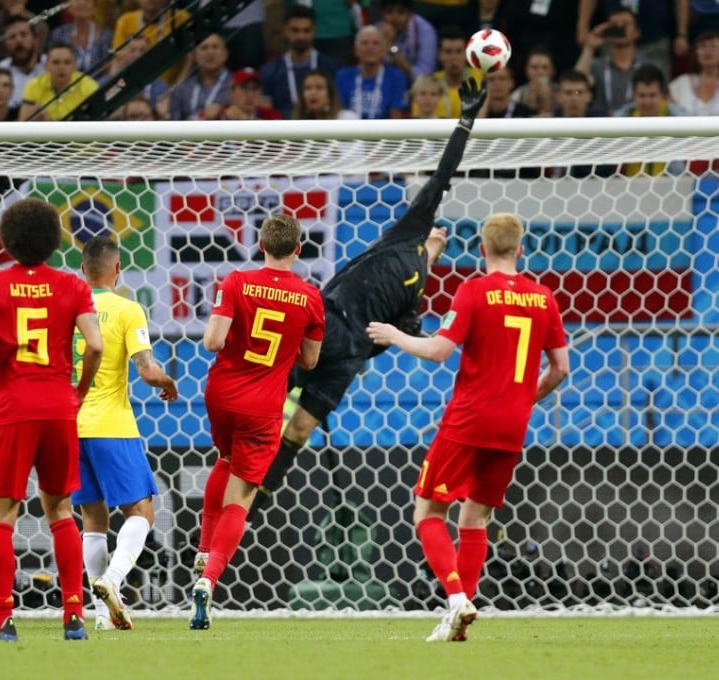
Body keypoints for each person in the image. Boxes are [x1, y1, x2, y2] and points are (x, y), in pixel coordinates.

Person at [248, 78, 487, 520]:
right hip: (329, 324)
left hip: (346, 353)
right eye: (437, 231)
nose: (440, 233)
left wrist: (390, 338)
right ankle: (240, 468)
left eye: (442, 238)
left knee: (299, 430)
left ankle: (255, 498)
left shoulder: (414, 300)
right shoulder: (408, 233)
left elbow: (396, 338)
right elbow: (442, 177)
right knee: (270, 398)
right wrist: (466, 120)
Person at [365, 212, 569, 642]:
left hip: (470, 419)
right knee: (475, 518)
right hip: (513, 424)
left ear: (481, 250)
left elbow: (440, 350)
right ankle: (459, 619)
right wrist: (522, 400)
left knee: (427, 511)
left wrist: (393, 335)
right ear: (519, 250)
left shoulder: (474, 290)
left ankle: (457, 598)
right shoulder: (543, 297)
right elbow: (560, 369)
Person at [0, 198, 102, 642]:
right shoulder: (72, 285)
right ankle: (74, 616)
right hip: (59, 407)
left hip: (12, 410)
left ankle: (4, 621)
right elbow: (95, 346)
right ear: (52, 239)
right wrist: (78, 391)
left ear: (7, 239)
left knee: (1, 513)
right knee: (61, 509)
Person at [189, 214, 326, 631]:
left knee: (226, 459)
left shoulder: (235, 282)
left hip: (221, 395)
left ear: (261, 245)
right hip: (263, 405)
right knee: (242, 497)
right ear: (298, 250)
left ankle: (202, 550)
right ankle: (209, 580)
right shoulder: (309, 298)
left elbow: (212, 341)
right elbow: (310, 361)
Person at [73, 236, 177, 632]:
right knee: (142, 511)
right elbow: (147, 370)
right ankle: (112, 581)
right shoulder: (127, 310)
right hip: (111, 425)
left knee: (92, 521)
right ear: (118, 269)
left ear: (83, 269)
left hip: (71, 425)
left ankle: (101, 616)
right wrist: (167, 380)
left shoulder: (68, 308)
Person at [260, 5, 339, 119]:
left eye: (306, 31)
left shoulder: (330, 67)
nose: (301, 36)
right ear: (285, 31)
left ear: (314, 31)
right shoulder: (269, 71)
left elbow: (336, 106)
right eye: (295, 31)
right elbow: (266, 112)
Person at [335, 25, 409, 119]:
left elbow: (396, 115)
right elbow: (338, 111)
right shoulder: (343, 76)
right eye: (365, 43)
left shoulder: (396, 77)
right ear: (356, 50)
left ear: (383, 50)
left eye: (376, 43)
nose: (370, 47)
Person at [19, 41, 100, 121]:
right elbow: (22, 123)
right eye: (56, 62)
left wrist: (49, 122)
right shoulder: (33, 85)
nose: (61, 67)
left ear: (75, 66)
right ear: (46, 66)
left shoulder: (89, 86)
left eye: (67, 63)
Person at [293, 69, 357, 119]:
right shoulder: (296, 124)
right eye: (308, 88)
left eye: (319, 88)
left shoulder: (347, 119)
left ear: (330, 94)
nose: (313, 92)